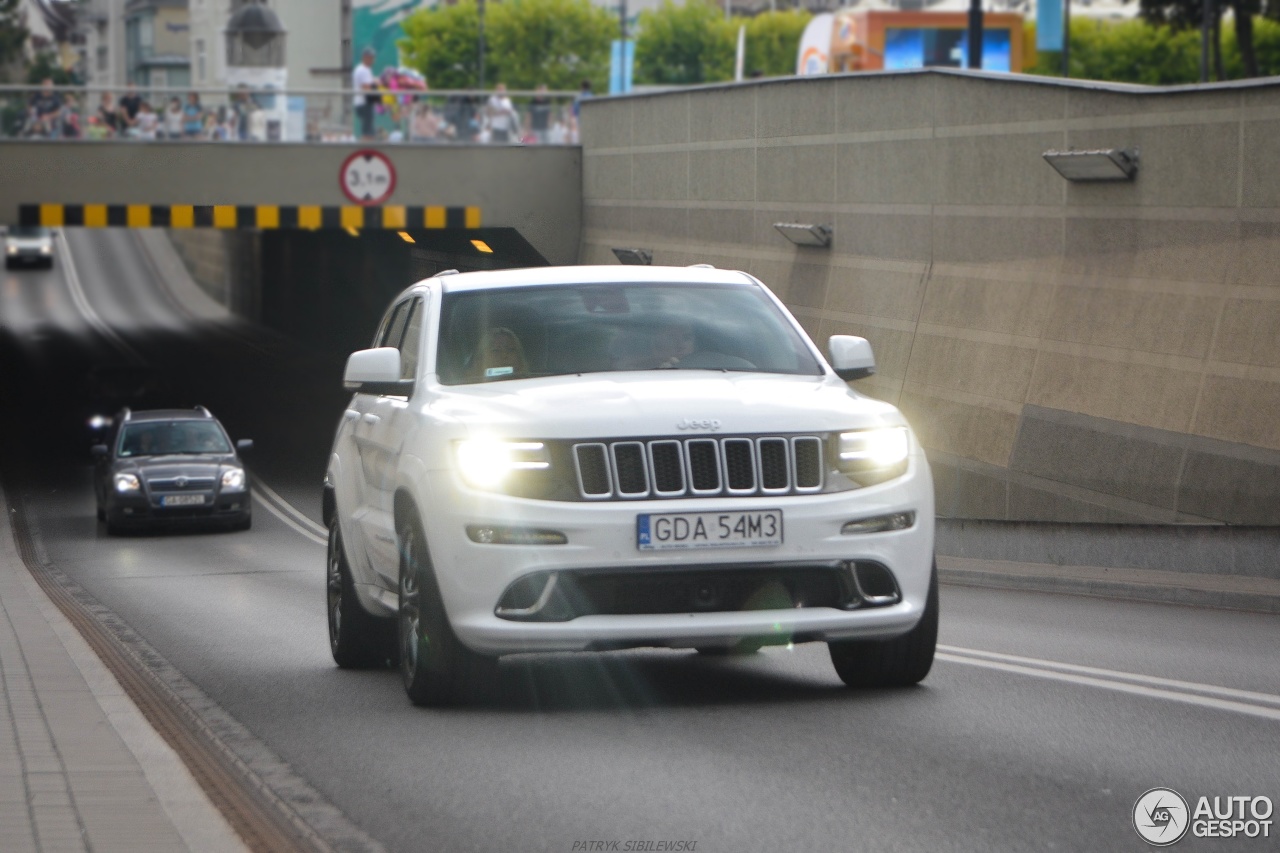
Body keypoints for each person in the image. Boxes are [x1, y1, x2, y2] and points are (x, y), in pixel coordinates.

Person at [352, 46, 378, 140]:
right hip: (364, 104)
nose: (372, 59)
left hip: (363, 104)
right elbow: (366, 88)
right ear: (364, 57)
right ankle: (364, 150)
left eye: (373, 57)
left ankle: (368, 148)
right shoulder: (363, 70)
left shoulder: (365, 69)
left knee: (370, 131)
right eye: (370, 57)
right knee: (367, 133)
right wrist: (378, 92)